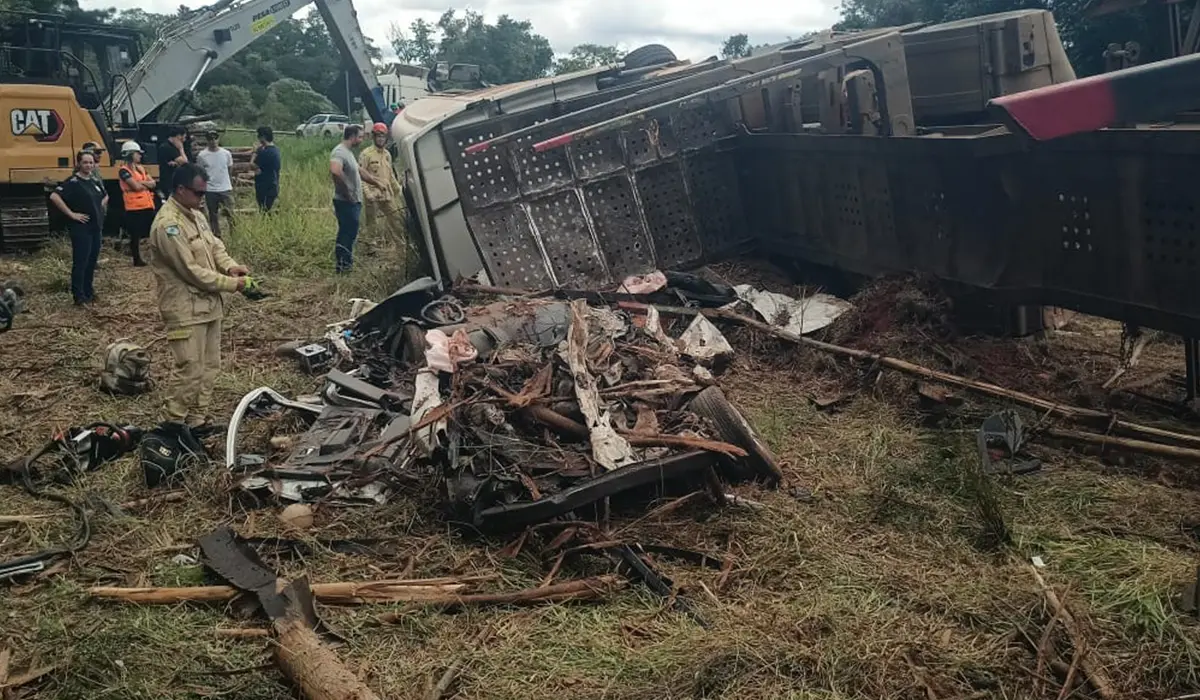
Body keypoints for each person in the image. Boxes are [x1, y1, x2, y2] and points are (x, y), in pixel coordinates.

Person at [147, 163, 251, 427]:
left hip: (208, 306)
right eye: (198, 193)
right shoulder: (168, 225)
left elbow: (215, 245)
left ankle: (196, 420)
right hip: (185, 309)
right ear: (180, 189)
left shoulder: (196, 214)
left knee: (209, 367)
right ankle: (172, 424)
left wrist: (230, 265)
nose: (202, 198)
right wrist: (232, 284)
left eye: (204, 193)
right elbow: (191, 271)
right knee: (189, 369)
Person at [48, 150, 108, 305]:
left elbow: (105, 195)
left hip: (96, 227)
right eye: (85, 162)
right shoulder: (73, 182)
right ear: (79, 164)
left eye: (91, 163)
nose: (88, 165)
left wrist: (99, 207)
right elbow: (54, 196)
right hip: (81, 228)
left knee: (91, 261)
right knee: (81, 261)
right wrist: (71, 214)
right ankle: (78, 295)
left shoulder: (94, 181)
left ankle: (89, 291)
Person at [329, 124, 385, 273]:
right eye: (360, 137)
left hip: (352, 202)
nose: (361, 140)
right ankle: (343, 267)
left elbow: (360, 171)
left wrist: (376, 182)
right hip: (346, 202)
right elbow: (335, 171)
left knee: (351, 234)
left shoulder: (349, 153)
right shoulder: (339, 152)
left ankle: (346, 264)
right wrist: (347, 192)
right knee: (346, 234)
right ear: (352, 136)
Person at [358, 122, 404, 248]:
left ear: (386, 138)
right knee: (372, 222)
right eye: (378, 136)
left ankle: (400, 244)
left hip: (386, 194)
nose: (380, 139)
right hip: (372, 195)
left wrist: (398, 190)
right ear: (373, 137)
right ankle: (371, 246)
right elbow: (361, 176)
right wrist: (368, 194)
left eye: (383, 136)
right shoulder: (366, 154)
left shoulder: (387, 154)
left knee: (396, 219)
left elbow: (390, 176)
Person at [118, 141, 157, 266]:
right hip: (133, 207)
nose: (140, 156)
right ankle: (137, 259)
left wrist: (142, 183)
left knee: (154, 230)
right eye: (137, 153)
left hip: (147, 204)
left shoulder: (140, 169)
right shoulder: (123, 171)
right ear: (130, 154)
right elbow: (135, 187)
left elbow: (153, 184)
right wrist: (145, 183)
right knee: (135, 235)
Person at [196, 129, 235, 237]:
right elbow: (200, 172)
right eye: (210, 139)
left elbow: (229, 168)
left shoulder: (226, 153)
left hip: (225, 187)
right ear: (207, 140)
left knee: (231, 213)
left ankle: (234, 234)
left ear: (218, 139)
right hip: (210, 189)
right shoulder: (202, 155)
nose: (213, 141)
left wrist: (228, 182)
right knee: (213, 214)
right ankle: (216, 235)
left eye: (215, 138)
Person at [250, 126, 280, 212]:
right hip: (272, 184)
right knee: (266, 210)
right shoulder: (275, 150)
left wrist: (254, 152)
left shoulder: (265, 152)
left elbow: (252, 165)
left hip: (265, 186)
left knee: (264, 210)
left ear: (263, 137)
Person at [156, 126, 189, 200]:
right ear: (178, 136)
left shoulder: (172, 147)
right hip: (169, 183)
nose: (184, 140)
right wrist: (181, 149)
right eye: (184, 137)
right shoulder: (167, 147)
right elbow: (185, 162)